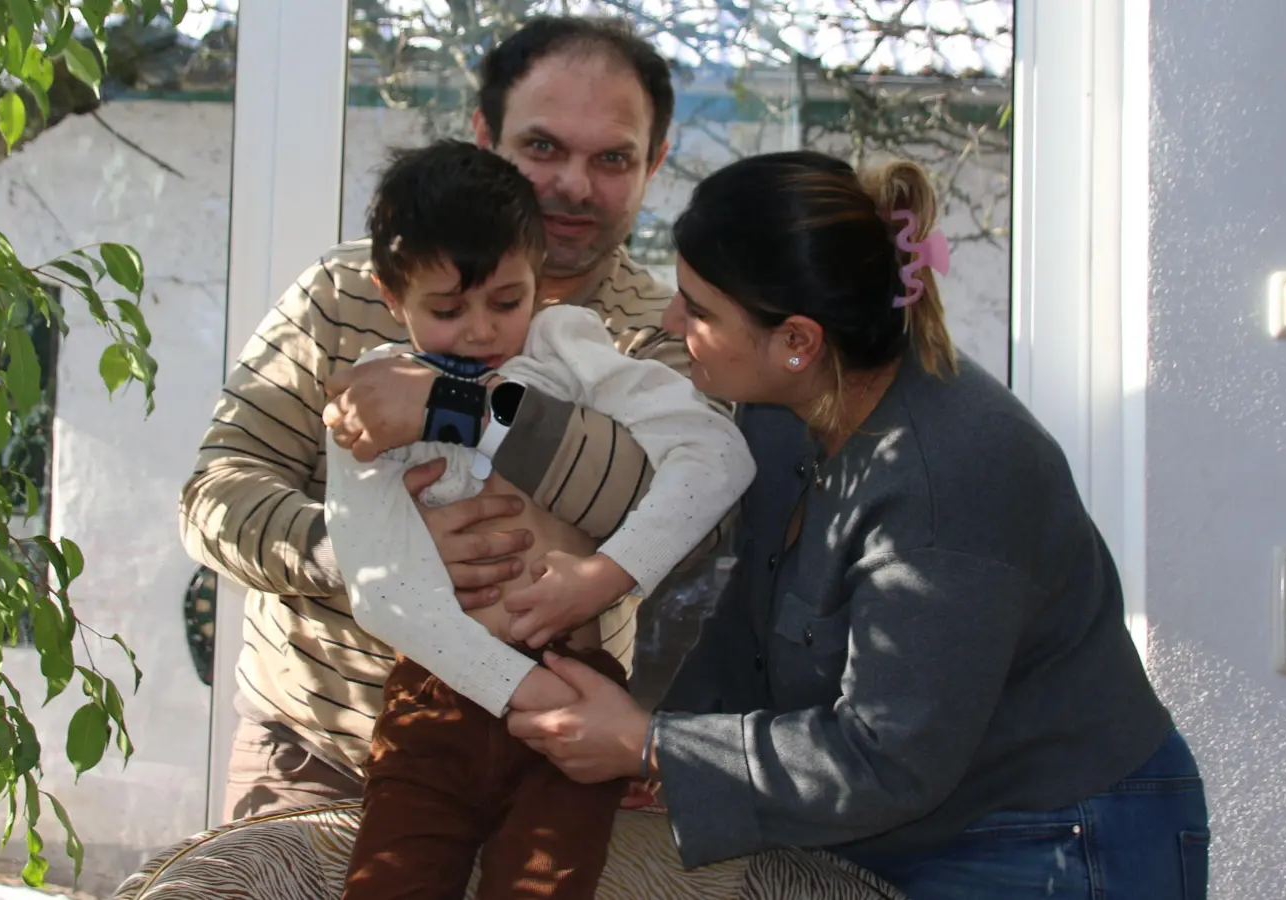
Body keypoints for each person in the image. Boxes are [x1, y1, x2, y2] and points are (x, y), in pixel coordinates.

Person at [505, 150, 1211, 899]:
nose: (674, 323)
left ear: (798, 342)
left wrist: (651, 746)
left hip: (1055, 839)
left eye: (700, 309)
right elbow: (747, 617)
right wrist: (659, 736)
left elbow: (888, 758)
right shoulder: (784, 414)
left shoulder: (947, 480)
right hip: (910, 823)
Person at [177, 15, 704, 821]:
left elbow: (660, 508)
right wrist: (361, 552)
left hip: (544, 764)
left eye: (611, 159)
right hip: (317, 757)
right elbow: (215, 493)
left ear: (654, 164)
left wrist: (449, 406)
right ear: (484, 134)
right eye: (542, 148)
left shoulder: (665, 329)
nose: (572, 184)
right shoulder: (346, 289)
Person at [329, 140, 751, 900]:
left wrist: (605, 577)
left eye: (508, 300)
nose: (484, 332)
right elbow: (380, 591)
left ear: (540, 279)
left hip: (578, 695)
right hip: (437, 702)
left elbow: (718, 456)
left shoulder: (568, 347)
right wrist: (522, 690)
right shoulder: (371, 398)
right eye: (447, 310)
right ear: (391, 296)